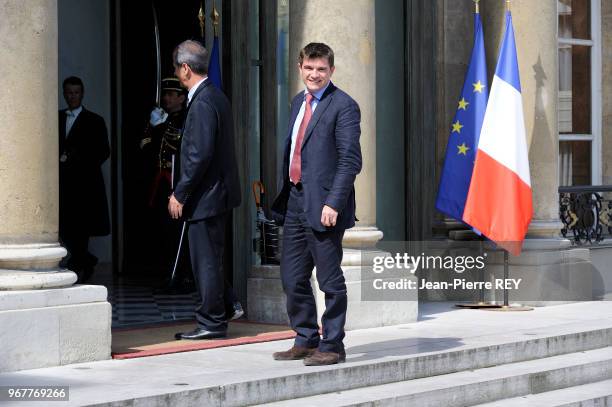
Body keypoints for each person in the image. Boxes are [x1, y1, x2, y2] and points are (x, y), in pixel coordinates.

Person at [271, 42, 362, 366]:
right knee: (292, 276)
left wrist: (334, 203)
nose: (315, 74)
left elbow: (350, 160)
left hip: (325, 206)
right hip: (295, 199)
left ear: (331, 70)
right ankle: (306, 338)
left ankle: (333, 344)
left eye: (321, 69)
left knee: (329, 279)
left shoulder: (344, 106)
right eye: (309, 68)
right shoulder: (298, 102)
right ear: (300, 67)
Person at [168, 40, 242, 340]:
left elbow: (199, 154)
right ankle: (225, 306)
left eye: (176, 68)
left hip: (207, 197)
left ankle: (211, 321)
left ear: (185, 69)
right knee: (212, 256)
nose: (176, 73)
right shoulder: (215, 96)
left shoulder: (202, 102)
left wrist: (179, 193)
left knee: (206, 260)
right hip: (216, 194)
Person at [139, 77, 192, 293]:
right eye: (166, 95)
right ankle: (169, 272)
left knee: (178, 232)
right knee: (164, 231)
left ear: (181, 97)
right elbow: (144, 148)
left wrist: (160, 128)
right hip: (161, 184)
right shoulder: (165, 119)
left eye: (172, 95)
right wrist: (152, 128)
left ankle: (183, 276)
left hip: (177, 182)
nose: (167, 99)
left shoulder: (185, 119)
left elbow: (180, 147)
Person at [59, 76, 110, 283]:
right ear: (64, 94)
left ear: (82, 94)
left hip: (85, 185)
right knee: (63, 226)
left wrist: (79, 160)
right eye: (69, 93)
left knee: (81, 227)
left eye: (76, 92)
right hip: (62, 184)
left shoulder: (95, 120)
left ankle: (79, 262)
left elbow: (104, 151)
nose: (72, 96)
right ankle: (85, 259)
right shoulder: (57, 118)